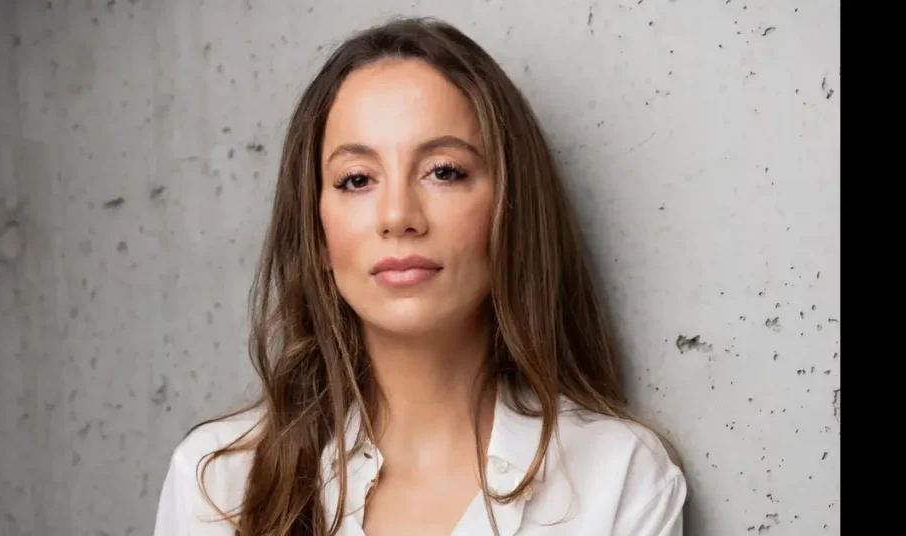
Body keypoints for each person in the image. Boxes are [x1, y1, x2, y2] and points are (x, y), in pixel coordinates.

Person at [154, 16, 686, 536]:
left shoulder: (616, 478)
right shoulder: (218, 485)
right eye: (357, 179)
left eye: (444, 171)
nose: (397, 216)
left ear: (509, 208)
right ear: (316, 233)